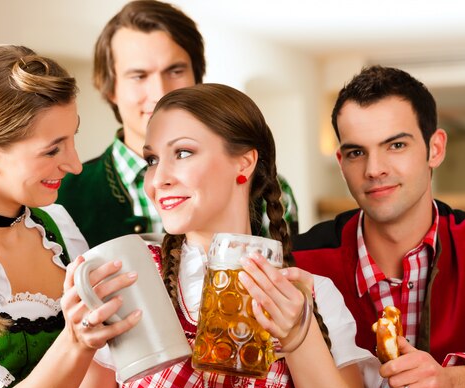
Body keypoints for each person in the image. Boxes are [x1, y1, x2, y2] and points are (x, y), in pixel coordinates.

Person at [84, 83, 382, 388]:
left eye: (182, 153)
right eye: (152, 159)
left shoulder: (310, 295)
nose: (158, 179)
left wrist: (300, 335)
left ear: (244, 162)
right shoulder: (135, 280)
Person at [292, 65, 465, 388]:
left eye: (396, 145)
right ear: (341, 163)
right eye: (357, 152)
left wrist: (458, 381)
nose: (374, 169)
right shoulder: (301, 260)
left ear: (435, 149)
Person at [0, 44, 138, 388]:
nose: (75, 164)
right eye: (52, 150)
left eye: (72, 138)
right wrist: (75, 341)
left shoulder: (60, 227)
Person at [57, 0, 299, 247]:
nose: (160, 92)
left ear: (197, 76)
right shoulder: (60, 196)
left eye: (175, 71)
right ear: (110, 89)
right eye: (139, 76)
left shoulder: (263, 185)